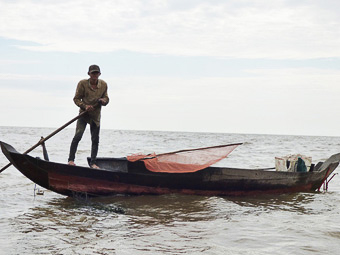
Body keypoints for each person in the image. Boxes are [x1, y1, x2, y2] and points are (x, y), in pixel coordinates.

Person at [68, 65, 109, 168]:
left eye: (96, 73)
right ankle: (71, 160)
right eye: (92, 73)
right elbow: (76, 99)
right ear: (89, 74)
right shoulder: (82, 84)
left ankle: (93, 163)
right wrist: (85, 106)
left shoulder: (103, 84)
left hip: (95, 116)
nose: (94, 75)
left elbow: (106, 99)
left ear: (99, 74)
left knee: (95, 139)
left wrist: (103, 101)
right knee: (78, 136)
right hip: (83, 114)